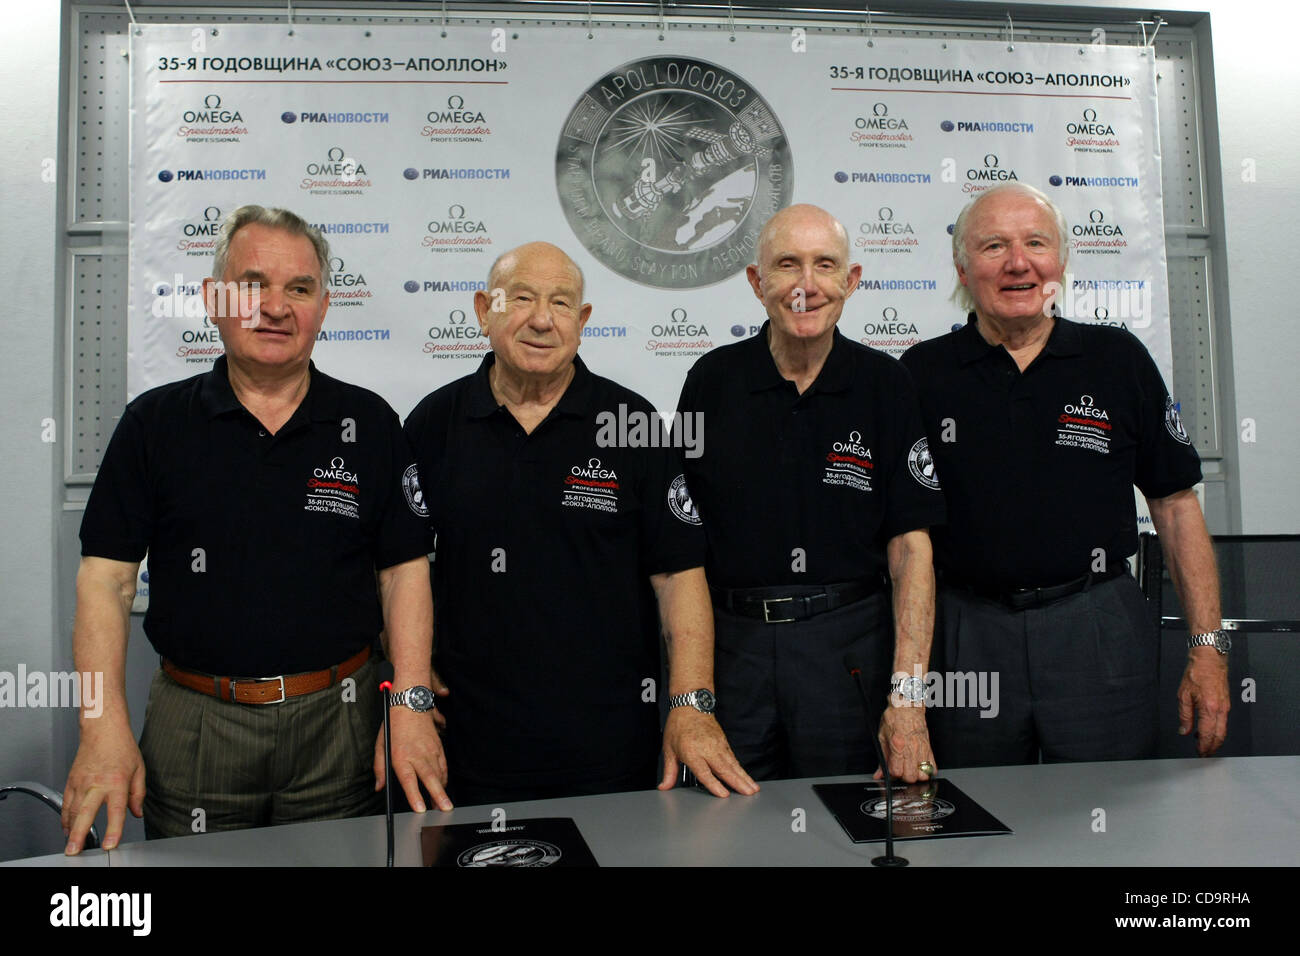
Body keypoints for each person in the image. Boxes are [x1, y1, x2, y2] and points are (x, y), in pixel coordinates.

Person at [62, 206, 450, 854]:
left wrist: (409, 703)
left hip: (340, 723)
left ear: (323, 308)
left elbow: (404, 573)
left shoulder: (370, 424)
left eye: (298, 289)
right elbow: (105, 583)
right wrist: (101, 728)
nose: (275, 307)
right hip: (196, 728)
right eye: (253, 286)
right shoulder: (154, 426)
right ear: (215, 300)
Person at [404, 241, 757, 805]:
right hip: (468, 747)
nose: (542, 320)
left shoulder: (632, 423)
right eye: (521, 298)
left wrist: (691, 705)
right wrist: (410, 686)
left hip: (611, 747)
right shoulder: (431, 425)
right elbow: (398, 571)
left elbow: (679, 576)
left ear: (583, 320)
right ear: (482, 309)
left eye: (562, 304)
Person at [899, 182, 1230, 766]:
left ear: (1061, 261)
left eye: (1035, 243)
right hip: (966, 636)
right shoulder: (921, 373)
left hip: (1096, 626)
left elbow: (1176, 507)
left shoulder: (1118, 360)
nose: (1018, 262)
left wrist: (1207, 648)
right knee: (974, 822)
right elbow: (904, 538)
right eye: (994, 246)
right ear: (960, 265)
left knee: (1114, 819)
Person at [676, 204, 946, 784]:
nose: (806, 286)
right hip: (733, 652)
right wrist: (688, 696)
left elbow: (912, 551)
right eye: (786, 266)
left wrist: (908, 699)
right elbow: (680, 553)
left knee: (853, 826)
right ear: (756, 282)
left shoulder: (886, 384)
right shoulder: (711, 381)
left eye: (825, 266)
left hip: (850, 650)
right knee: (725, 830)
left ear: (851, 282)